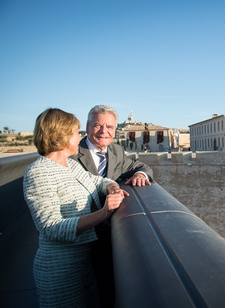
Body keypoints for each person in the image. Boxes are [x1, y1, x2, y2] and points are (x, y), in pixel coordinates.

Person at [23, 108, 129, 307]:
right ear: (60, 135)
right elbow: (51, 227)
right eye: (75, 132)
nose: (79, 137)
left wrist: (112, 186)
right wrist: (104, 213)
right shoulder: (39, 172)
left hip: (82, 264)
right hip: (59, 271)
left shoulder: (70, 166)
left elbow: (97, 181)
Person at [69, 105, 153, 307]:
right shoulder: (71, 153)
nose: (103, 131)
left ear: (115, 129)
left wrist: (141, 175)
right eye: (98, 125)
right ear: (88, 127)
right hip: (80, 234)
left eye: (109, 126)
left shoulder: (115, 151)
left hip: (111, 232)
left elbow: (140, 166)